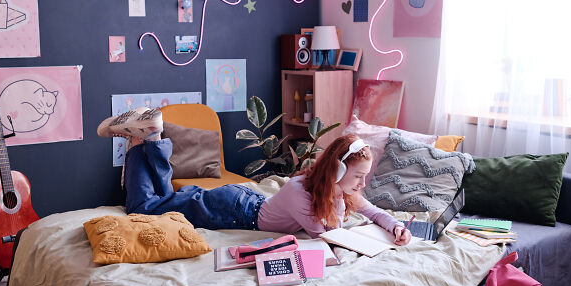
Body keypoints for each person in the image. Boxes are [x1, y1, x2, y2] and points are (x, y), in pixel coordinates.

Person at [97, 107, 412, 246]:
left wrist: (396, 225)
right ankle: (144, 143)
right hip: (231, 211)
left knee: (164, 204)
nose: (362, 185)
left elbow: (371, 210)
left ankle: (150, 136)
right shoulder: (301, 192)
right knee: (142, 210)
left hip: (244, 201)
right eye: (358, 177)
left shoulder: (332, 189)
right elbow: (329, 233)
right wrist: (343, 198)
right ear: (338, 170)